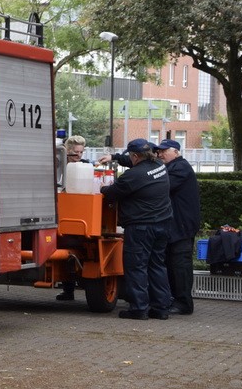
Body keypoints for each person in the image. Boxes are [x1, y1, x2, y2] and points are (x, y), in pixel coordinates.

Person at [99, 138, 173, 320]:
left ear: (134, 156)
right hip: (163, 224)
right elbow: (136, 164)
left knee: (136, 266)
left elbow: (111, 194)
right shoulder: (159, 165)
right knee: (157, 265)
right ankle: (161, 308)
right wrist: (114, 157)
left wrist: (102, 188)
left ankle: (139, 308)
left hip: (142, 227)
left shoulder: (133, 176)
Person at [155, 139, 200, 315]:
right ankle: (176, 298)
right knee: (173, 264)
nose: (160, 154)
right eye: (158, 152)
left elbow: (162, 184)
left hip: (181, 227)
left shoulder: (180, 168)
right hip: (177, 225)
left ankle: (183, 302)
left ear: (176, 151)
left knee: (180, 265)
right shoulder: (175, 167)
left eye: (163, 151)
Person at [57, 135, 89, 301]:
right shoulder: (58, 166)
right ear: (67, 151)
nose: (79, 156)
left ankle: (69, 288)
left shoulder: (85, 167)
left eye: (81, 152)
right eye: (76, 153)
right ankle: (67, 289)